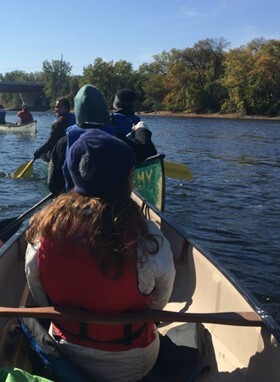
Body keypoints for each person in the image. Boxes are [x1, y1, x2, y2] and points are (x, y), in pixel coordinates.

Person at [25, 129, 175, 382]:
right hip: (134, 363)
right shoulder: (149, 238)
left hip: (66, 352)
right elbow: (159, 303)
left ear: (72, 174)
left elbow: (41, 298)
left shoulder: (43, 233)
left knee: (28, 319)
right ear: (128, 178)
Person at [47, 84, 157, 195]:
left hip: (74, 202)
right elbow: (147, 151)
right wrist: (141, 128)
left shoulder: (63, 142)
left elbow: (53, 185)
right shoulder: (117, 139)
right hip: (111, 206)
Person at [32, 97, 75, 163]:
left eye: (59, 107)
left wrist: (39, 151)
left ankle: (52, 168)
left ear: (66, 109)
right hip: (73, 150)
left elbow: (51, 141)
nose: (56, 109)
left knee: (44, 154)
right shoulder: (74, 118)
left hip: (63, 153)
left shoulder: (60, 123)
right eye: (56, 107)